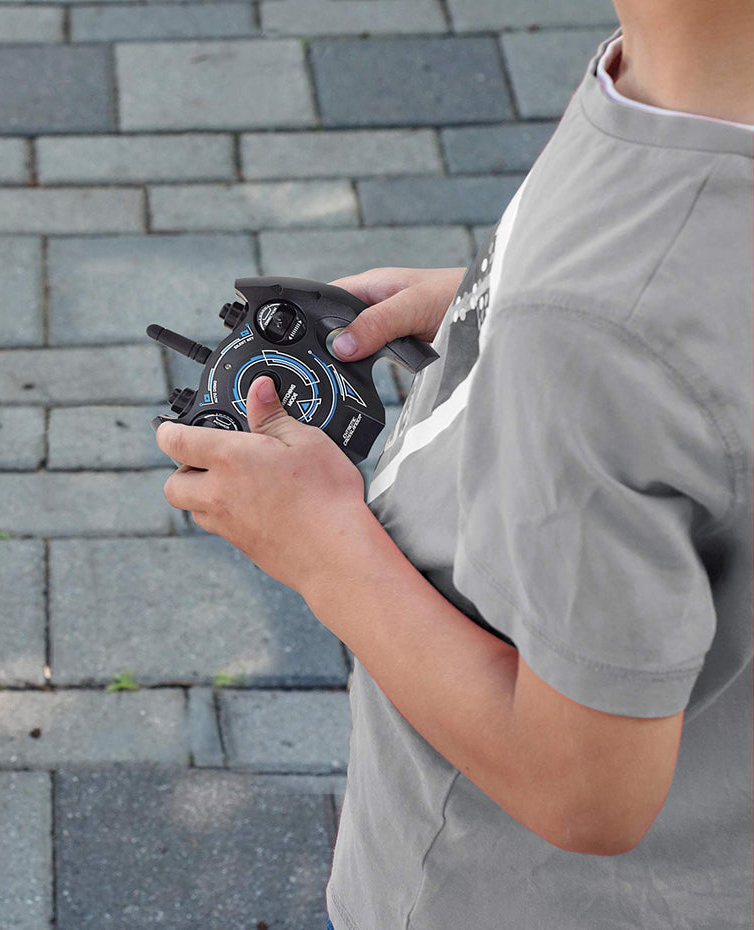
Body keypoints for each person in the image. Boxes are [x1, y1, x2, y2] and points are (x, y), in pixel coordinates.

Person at [154, 1, 753, 926]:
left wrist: (321, 550)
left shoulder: (603, 323)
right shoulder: (667, 93)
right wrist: (488, 305)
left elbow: (585, 789)